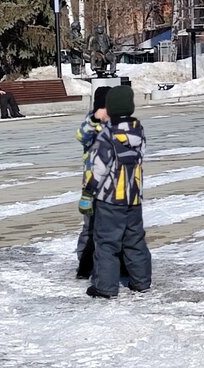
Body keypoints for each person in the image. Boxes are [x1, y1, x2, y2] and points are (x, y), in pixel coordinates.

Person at [82, 84, 151, 298]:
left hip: (110, 199)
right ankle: (141, 281)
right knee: (135, 240)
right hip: (134, 197)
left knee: (106, 243)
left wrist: (87, 194)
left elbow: (98, 168)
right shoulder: (138, 130)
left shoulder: (107, 135)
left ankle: (105, 287)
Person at [74, 86, 110, 280]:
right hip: (92, 186)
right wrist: (96, 118)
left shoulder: (117, 122)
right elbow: (81, 135)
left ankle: (112, 264)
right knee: (90, 226)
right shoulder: (91, 123)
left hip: (113, 185)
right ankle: (84, 265)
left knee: (113, 227)